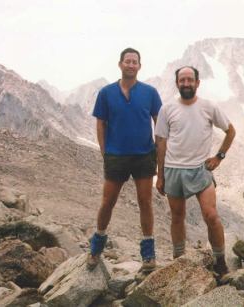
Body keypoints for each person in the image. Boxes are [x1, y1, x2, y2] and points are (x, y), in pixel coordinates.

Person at [154, 66, 236, 277]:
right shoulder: (167, 109)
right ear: (177, 83)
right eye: (182, 80)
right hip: (174, 169)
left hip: (201, 169)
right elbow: (161, 141)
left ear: (198, 83)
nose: (186, 83)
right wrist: (160, 174)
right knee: (177, 216)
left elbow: (230, 130)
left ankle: (220, 261)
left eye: (190, 80)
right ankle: (179, 260)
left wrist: (219, 156)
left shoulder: (208, 106)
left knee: (211, 215)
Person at [88, 47, 162, 272]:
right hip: (116, 155)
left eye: (135, 62)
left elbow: (159, 123)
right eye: (127, 61)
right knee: (107, 202)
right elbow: (100, 123)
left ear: (139, 66)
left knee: (145, 202)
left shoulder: (150, 92)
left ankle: (148, 256)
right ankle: (96, 248)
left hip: (143, 155)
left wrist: (159, 156)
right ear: (120, 64)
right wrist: (104, 151)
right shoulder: (106, 93)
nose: (131, 65)